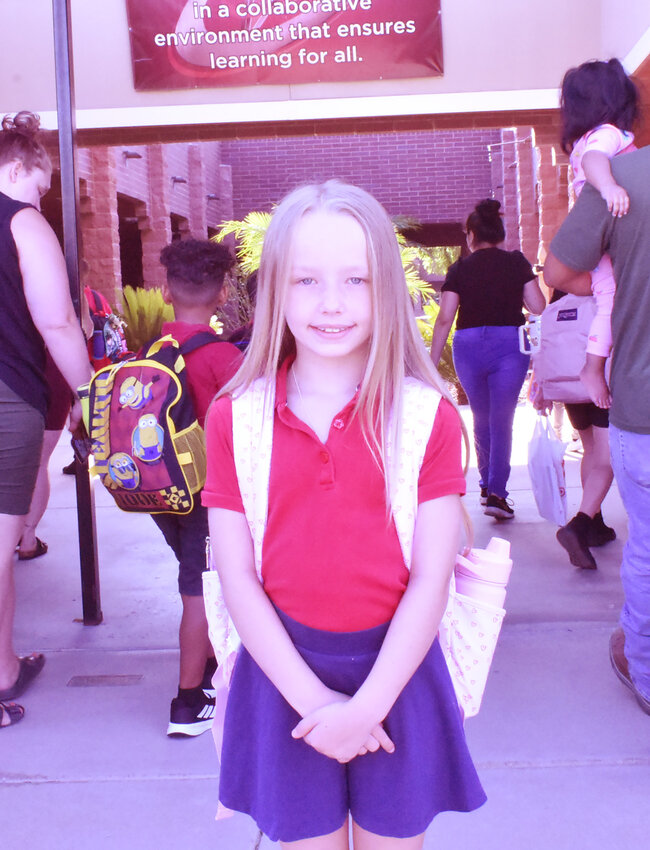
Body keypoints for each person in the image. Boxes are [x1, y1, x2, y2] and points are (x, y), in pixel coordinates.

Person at [204, 180, 486, 848]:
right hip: (284, 680)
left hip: (398, 674)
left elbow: (430, 579)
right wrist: (319, 707)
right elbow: (236, 578)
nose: (330, 304)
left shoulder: (426, 417)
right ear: (272, 289)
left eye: (355, 280)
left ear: (386, 287)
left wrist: (366, 708)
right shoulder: (235, 418)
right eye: (305, 281)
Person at [544, 144, 650, 716]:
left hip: (641, 396)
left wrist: (611, 283)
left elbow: (558, 273)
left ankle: (648, 676)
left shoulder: (620, 172)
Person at [0, 111, 92, 724]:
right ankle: (1, 672)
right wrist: (91, 392)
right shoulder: (21, 221)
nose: (43, 195)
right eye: (41, 181)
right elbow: (57, 320)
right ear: (16, 165)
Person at [151, 239, 242, 737]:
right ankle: (188, 702)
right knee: (201, 592)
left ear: (166, 293)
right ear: (223, 293)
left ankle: (206, 666)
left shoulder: (155, 351)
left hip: (164, 495)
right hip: (207, 497)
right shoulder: (223, 358)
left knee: (199, 577)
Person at [430, 199, 545, 520]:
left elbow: (444, 319)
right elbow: (538, 306)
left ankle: (485, 485)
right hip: (508, 343)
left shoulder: (459, 268)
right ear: (500, 232)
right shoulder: (517, 262)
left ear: (471, 236)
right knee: (502, 420)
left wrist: (430, 361)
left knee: (481, 418)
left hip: (467, 346)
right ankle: (497, 493)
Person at [559, 58, 639, 409]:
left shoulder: (586, 139)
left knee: (610, 298)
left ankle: (596, 366)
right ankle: (593, 368)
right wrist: (610, 188)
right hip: (606, 232)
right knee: (609, 299)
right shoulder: (606, 136)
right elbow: (595, 161)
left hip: (601, 234)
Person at [536, 292, 616, 570]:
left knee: (591, 450)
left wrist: (540, 384)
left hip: (568, 384)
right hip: (600, 381)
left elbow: (544, 344)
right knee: (607, 460)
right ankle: (580, 526)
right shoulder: (606, 289)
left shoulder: (560, 298)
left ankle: (596, 522)